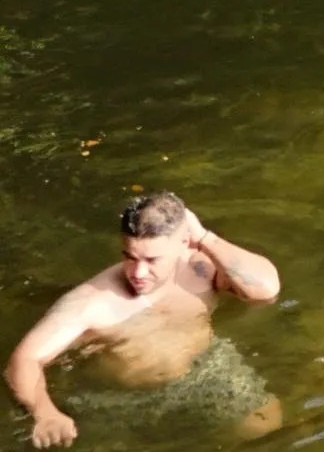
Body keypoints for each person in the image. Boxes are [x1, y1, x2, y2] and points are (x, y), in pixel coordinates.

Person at [5, 192, 281, 448]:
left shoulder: (198, 269)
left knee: (265, 423)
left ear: (184, 242)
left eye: (152, 259)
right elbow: (25, 359)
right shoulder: (91, 302)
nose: (137, 271)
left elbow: (265, 290)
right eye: (129, 256)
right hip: (122, 399)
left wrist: (205, 237)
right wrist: (46, 412)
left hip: (205, 366)